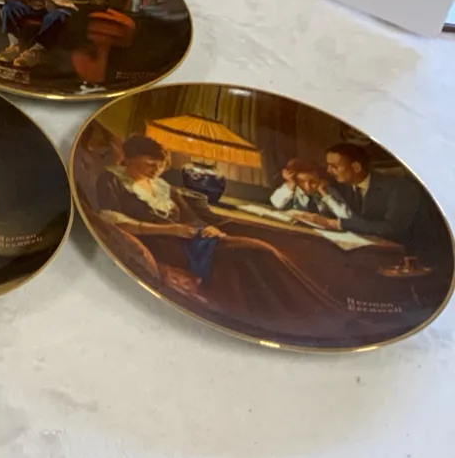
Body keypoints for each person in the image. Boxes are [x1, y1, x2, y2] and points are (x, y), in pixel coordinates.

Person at [94, 135, 343, 332]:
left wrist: (207, 227)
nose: (156, 170)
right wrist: (168, 229)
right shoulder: (111, 179)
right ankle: (308, 310)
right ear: (131, 158)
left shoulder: (162, 186)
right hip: (164, 244)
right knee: (257, 251)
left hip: (190, 238)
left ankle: (315, 307)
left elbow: (190, 217)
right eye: (150, 164)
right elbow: (112, 221)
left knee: (264, 252)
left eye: (160, 166)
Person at [323, 143, 424, 242]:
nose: (329, 171)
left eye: (334, 166)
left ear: (356, 167)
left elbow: (392, 229)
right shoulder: (345, 187)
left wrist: (337, 224)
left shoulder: (399, 188)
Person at [0, 0, 77, 70]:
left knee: (59, 15)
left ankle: (35, 52)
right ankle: (14, 46)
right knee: (11, 5)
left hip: (56, 14)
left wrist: (66, 3)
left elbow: (80, 9)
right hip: (38, 10)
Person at [271, 159, 351, 220]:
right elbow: (276, 203)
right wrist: (291, 184)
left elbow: (346, 216)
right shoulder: (292, 188)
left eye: (312, 182)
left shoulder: (327, 191)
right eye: (301, 182)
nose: (307, 186)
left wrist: (325, 194)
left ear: (320, 179)